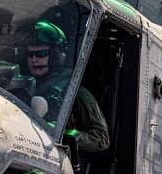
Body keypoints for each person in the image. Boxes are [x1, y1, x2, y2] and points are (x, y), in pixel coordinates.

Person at [25, 20, 110, 154]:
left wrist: (65, 134)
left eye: (41, 54)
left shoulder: (74, 90)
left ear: (55, 56)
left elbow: (101, 138)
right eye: (30, 54)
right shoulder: (21, 83)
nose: (34, 59)